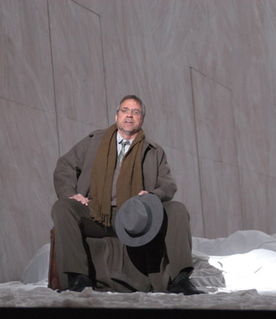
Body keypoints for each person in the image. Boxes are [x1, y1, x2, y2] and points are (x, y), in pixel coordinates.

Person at [51, 95, 203, 295]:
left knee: (177, 210)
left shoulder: (154, 151)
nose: (129, 115)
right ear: (116, 116)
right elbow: (65, 165)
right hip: (96, 213)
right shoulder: (94, 141)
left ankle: (180, 279)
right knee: (63, 207)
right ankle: (79, 278)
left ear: (141, 120)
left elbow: (168, 184)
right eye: (125, 110)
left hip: (136, 219)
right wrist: (71, 193)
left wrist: (152, 195)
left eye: (135, 112)